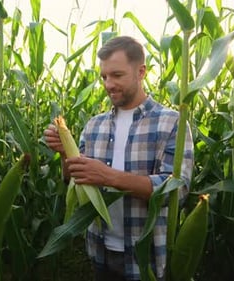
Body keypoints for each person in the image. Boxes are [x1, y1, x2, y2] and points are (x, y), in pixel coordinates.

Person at [43, 35, 194, 281]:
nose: (108, 84)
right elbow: (74, 179)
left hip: (146, 258)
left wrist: (108, 176)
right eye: (104, 76)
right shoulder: (94, 125)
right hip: (100, 250)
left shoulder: (172, 123)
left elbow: (176, 190)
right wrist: (64, 153)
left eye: (117, 75)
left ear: (141, 72)